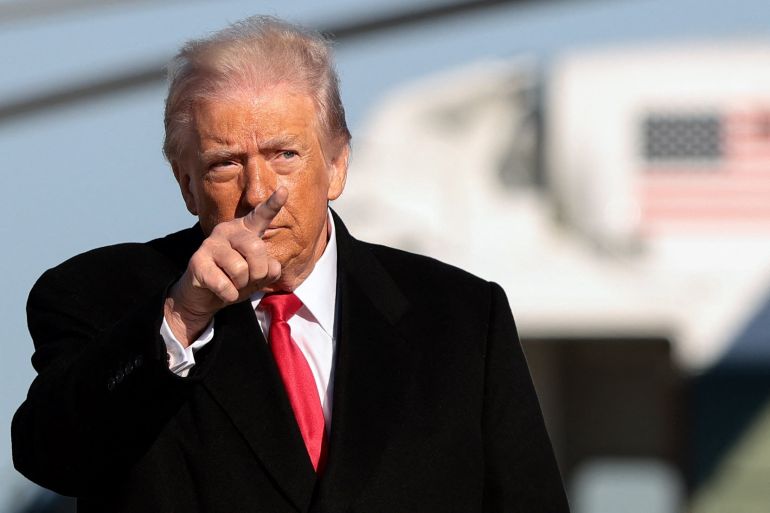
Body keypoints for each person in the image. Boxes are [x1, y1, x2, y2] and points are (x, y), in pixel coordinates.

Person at [12, 15, 570, 513]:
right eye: (225, 164)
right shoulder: (100, 297)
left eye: (284, 154)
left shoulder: (461, 318)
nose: (258, 191)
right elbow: (53, 460)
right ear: (186, 185)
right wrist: (181, 318)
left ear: (337, 165)